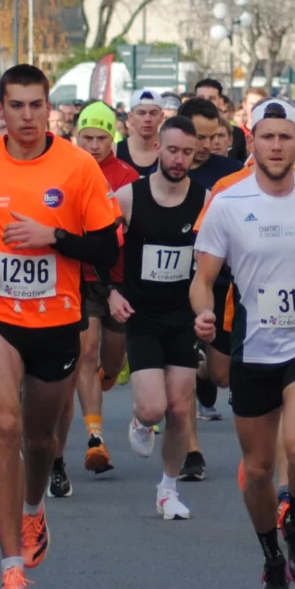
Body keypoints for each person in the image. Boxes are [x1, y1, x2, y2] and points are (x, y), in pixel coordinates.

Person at [0, 65, 122, 589]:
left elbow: (108, 249)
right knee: (7, 424)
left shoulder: (78, 166)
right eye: (15, 106)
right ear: (0, 111)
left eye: (35, 106)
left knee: (41, 441)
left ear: (49, 109)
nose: (26, 116)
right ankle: (11, 569)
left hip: (57, 316)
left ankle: (34, 505)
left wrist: (55, 237)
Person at [190, 99, 295, 589]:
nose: (276, 146)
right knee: (256, 470)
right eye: (267, 137)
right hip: (252, 345)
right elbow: (203, 277)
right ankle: (272, 557)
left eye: (286, 137)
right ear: (251, 142)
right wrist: (205, 314)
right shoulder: (228, 202)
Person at [111, 115, 208, 516]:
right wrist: (111, 292)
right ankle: (139, 421)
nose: (179, 159)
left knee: (181, 409)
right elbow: (101, 250)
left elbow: (212, 262)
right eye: (173, 150)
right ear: (157, 149)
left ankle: (168, 489)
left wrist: (207, 311)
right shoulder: (127, 197)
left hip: (182, 316)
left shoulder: (205, 201)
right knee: (153, 408)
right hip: (142, 314)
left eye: (187, 152)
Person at [69, 101, 138, 482]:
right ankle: (96, 439)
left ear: (113, 137)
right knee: (87, 353)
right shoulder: (67, 168)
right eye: (87, 137)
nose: (94, 145)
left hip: (117, 277)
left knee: (110, 361)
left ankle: (110, 375)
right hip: (78, 276)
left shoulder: (126, 176)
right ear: (77, 135)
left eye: (101, 137)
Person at [116, 88, 164, 172]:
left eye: (153, 113)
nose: (147, 119)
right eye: (141, 113)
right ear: (130, 117)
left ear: (161, 117)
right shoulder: (115, 151)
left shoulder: (170, 151)